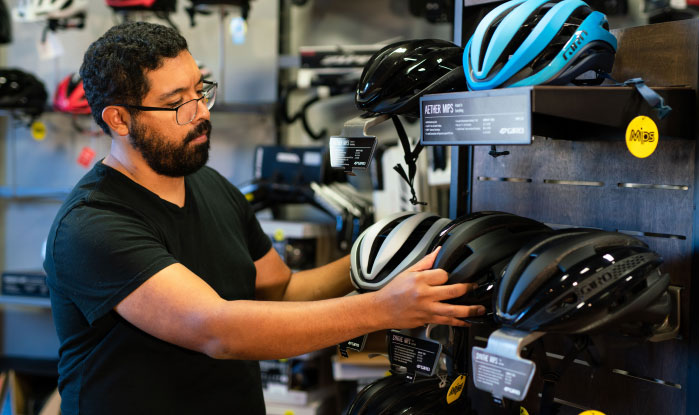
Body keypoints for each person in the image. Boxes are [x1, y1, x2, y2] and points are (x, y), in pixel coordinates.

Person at [42, 21, 484, 415]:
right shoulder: (92, 225)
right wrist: (381, 309)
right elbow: (216, 330)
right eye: (177, 102)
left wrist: (382, 254)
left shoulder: (211, 186)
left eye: (201, 90)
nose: (201, 111)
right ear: (119, 119)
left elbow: (283, 291)